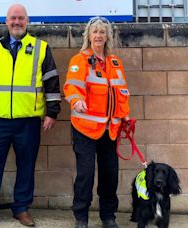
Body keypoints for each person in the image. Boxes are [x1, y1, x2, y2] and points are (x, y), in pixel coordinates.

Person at [0, 3, 61, 228]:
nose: (17, 22)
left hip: (28, 120)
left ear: (27, 21)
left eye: (21, 18)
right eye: (13, 18)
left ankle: (21, 208)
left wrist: (52, 112)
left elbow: (51, 81)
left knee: (26, 165)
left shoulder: (40, 47)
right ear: (6, 21)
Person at [63, 17, 130, 228]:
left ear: (108, 36)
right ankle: (81, 217)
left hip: (110, 130)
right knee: (86, 175)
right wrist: (76, 101)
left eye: (102, 32)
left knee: (110, 175)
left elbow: (122, 94)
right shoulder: (80, 60)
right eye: (95, 32)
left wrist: (125, 116)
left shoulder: (115, 63)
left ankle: (108, 216)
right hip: (85, 129)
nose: (99, 36)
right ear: (88, 36)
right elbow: (71, 87)